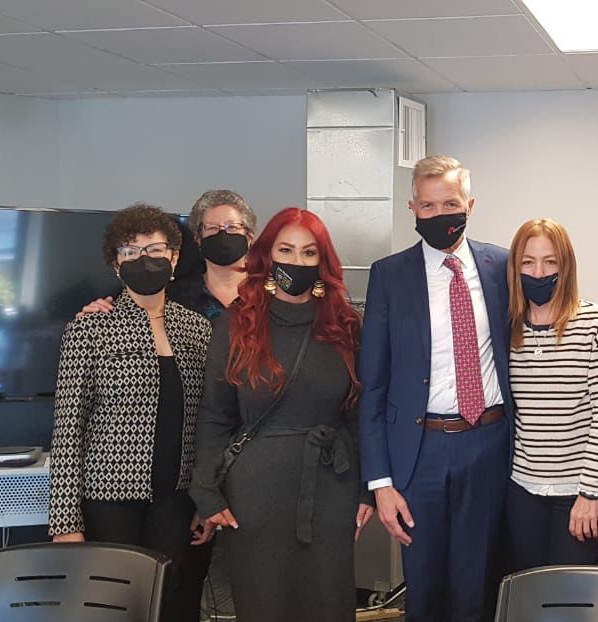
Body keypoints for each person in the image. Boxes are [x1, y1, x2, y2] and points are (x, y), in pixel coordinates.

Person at [189, 207, 374, 622]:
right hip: (255, 496)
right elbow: (215, 415)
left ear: (323, 261)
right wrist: (206, 491)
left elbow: (358, 414)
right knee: (264, 605)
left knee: (328, 604)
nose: (297, 262)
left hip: (332, 487)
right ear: (267, 258)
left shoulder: (347, 327)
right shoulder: (236, 326)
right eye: (285, 250)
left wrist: (366, 490)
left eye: (310, 253)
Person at [359, 155, 512, 622]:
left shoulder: (502, 266)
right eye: (427, 205)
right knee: (423, 586)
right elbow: (374, 386)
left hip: (489, 442)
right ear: (413, 208)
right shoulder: (388, 275)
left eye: (449, 202)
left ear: (470, 203)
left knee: (478, 583)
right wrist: (379, 484)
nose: (439, 213)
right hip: (418, 449)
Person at [48, 203, 214, 621]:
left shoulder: (198, 329)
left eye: (156, 249)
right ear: (114, 263)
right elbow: (68, 430)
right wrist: (64, 519)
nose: (146, 260)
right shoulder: (90, 327)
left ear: (175, 258)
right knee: (113, 607)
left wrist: (205, 499)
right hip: (108, 501)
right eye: (131, 251)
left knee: (174, 603)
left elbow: (208, 422)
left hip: (177, 501)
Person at [504, 218, 598, 570]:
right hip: (523, 486)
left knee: (570, 595)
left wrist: (590, 492)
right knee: (528, 587)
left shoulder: (595, 322)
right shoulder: (507, 326)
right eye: (528, 262)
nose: (539, 272)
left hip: (579, 490)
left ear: (566, 265)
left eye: (550, 261)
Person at [80, 189, 256, 320]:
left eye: (232, 227)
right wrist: (98, 313)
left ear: (249, 237)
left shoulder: (269, 294)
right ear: (198, 238)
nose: (222, 235)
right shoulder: (170, 296)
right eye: (212, 228)